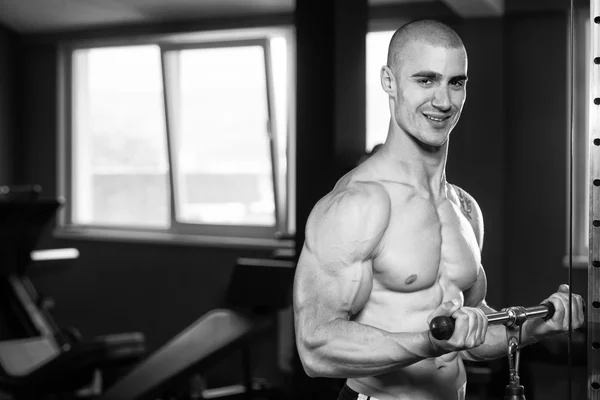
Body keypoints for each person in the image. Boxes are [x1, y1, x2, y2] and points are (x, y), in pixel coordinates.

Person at [292, 19, 585, 400]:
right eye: (425, 80)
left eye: (456, 82)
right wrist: (430, 341)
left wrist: (538, 325)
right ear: (389, 81)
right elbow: (316, 346)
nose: (444, 101)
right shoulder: (358, 204)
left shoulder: (463, 207)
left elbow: (471, 338)